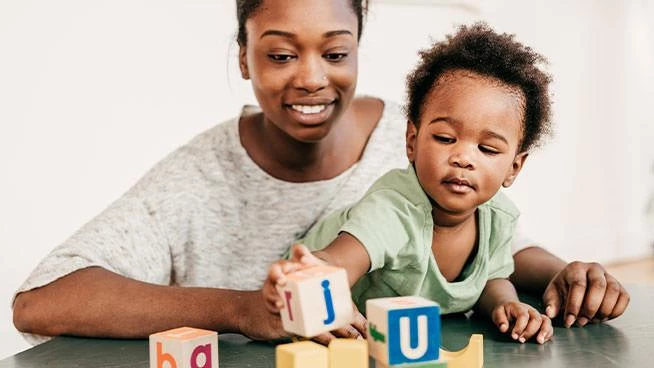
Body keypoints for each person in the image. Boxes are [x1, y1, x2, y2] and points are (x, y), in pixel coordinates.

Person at [12, 0, 628, 346]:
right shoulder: (198, 178)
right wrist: (242, 310)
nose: (311, 77)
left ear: (359, 45)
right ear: (244, 59)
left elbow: (493, 247)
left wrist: (566, 272)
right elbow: (42, 301)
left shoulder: (434, 133)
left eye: (335, 53)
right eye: (280, 54)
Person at [264, 22, 555, 344]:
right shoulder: (394, 209)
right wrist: (307, 274)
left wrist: (506, 304)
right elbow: (337, 261)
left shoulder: (499, 216)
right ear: (412, 141)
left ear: (514, 167)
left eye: (487, 149)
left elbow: (489, 278)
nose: (463, 158)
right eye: (445, 138)